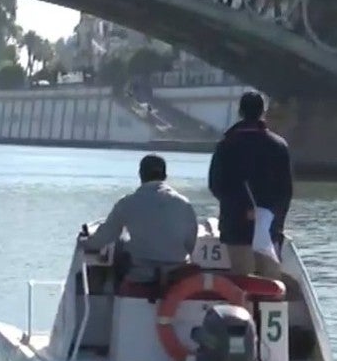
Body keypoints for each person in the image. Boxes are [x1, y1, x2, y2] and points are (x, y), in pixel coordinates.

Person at [208, 90, 293, 279]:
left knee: (242, 278)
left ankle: (244, 307)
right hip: (269, 225)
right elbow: (285, 191)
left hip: (235, 224)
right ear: (263, 112)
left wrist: (238, 208)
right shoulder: (278, 145)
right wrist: (275, 218)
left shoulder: (226, 145)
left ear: (240, 112)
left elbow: (215, 185)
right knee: (270, 280)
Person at [81, 154, 198, 284]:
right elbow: (191, 244)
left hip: (141, 275)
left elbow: (104, 237)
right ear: (165, 176)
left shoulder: (127, 203)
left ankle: (112, 298)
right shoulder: (184, 204)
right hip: (176, 275)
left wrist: (84, 242)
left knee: (121, 246)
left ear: (140, 175)